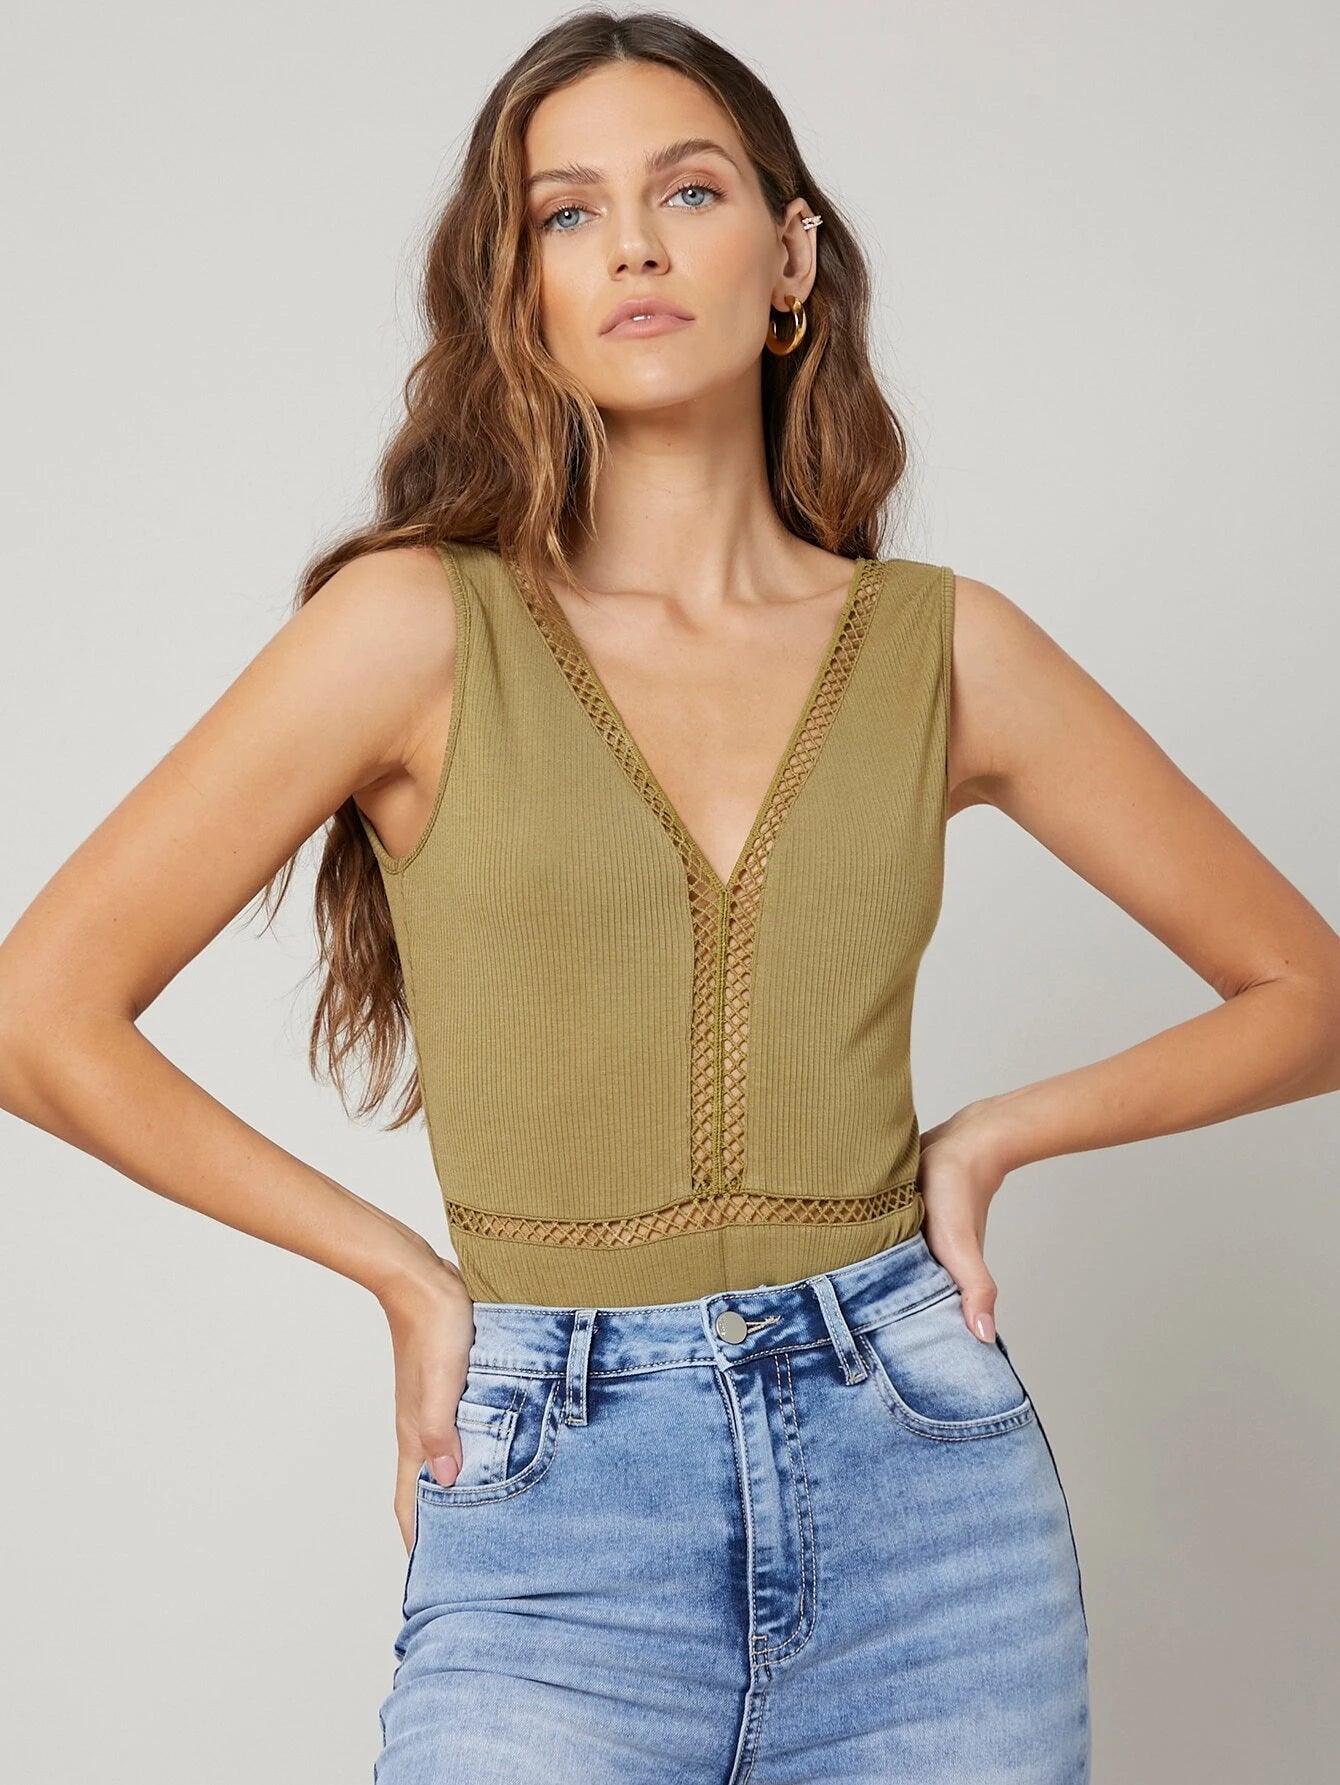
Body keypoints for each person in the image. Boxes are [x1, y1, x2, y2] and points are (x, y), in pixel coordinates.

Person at [2, 10, 1337, 1783]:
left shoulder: (946, 649)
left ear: (788, 258)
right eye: (568, 213)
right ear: (521, 290)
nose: (630, 245)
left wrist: (993, 1136)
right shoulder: (414, 628)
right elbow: (39, 1013)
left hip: (931, 1510)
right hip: (557, 1511)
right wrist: (400, 1274)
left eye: (688, 191)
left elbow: (1307, 991)